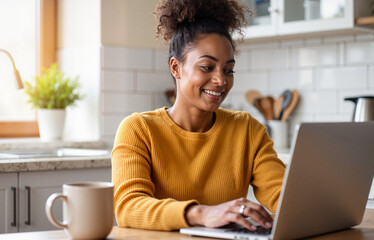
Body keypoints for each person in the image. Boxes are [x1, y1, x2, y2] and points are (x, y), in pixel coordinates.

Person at [111, 0, 286, 231]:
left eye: (228, 70)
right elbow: (129, 207)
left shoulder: (247, 129)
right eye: (207, 67)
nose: (221, 80)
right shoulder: (138, 129)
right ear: (176, 68)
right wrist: (202, 213)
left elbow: (284, 196)